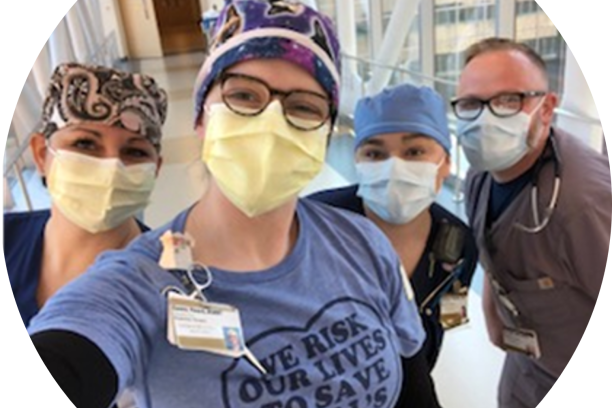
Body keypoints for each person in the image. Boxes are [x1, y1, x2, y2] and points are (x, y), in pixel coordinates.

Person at [27, 2, 426, 408]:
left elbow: (415, 389)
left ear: (325, 136)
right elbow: (70, 355)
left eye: (304, 107)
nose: (271, 122)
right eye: (244, 95)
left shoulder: (362, 243)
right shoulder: (136, 286)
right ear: (201, 117)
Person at [452, 37, 610, 407]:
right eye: (471, 104)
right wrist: (492, 315)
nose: (486, 120)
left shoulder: (584, 204)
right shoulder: (481, 173)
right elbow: (493, 250)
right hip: (524, 363)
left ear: (547, 107)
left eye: (509, 100)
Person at [309, 83, 479, 405]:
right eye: (375, 154)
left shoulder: (458, 242)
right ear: (357, 160)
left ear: (446, 161)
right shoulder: (316, 223)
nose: (394, 167)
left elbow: (445, 318)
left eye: (414, 152)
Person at [4, 62, 167, 329]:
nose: (112, 167)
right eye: (85, 144)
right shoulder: (8, 240)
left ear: (155, 169)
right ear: (42, 154)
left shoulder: (168, 279)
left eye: (135, 152)